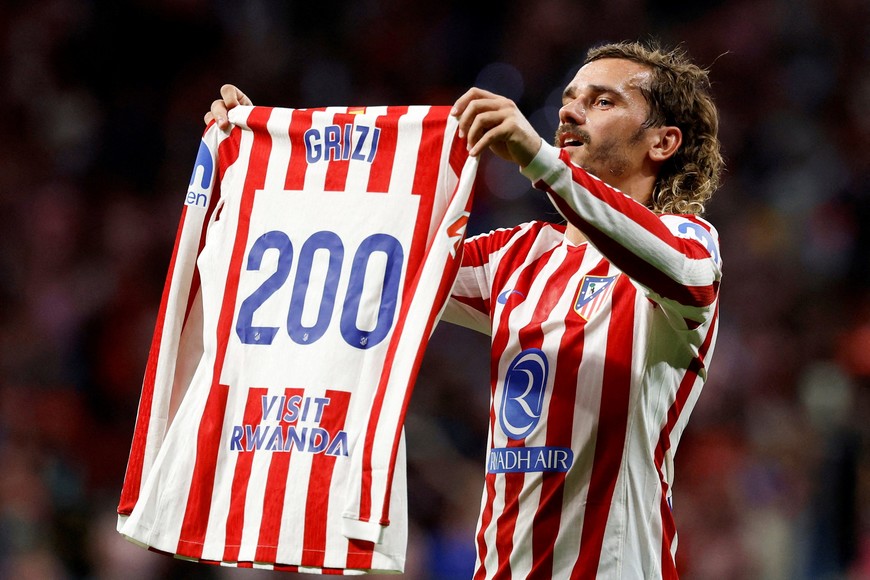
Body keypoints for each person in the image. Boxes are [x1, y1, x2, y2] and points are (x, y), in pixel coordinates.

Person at [206, 39, 724, 579]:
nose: (569, 110)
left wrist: (539, 161)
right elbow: (365, 257)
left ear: (663, 142)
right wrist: (258, 167)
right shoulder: (516, 257)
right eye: (570, 98)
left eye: (602, 101)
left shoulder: (686, 249)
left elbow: (682, 270)